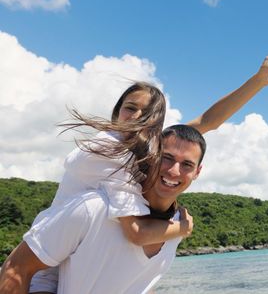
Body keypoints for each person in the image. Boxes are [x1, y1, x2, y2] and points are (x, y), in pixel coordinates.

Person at [17, 50, 268, 293]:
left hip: (72, 260)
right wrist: (183, 227)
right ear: (116, 114)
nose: (137, 116)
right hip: (46, 270)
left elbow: (207, 122)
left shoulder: (146, 151)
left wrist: (258, 82)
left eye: (148, 114)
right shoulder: (108, 151)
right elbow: (136, 232)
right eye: (130, 109)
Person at [0, 125, 207, 293]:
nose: (173, 171)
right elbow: (15, 268)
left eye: (187, 164)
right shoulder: (93, 208)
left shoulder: (178, 226)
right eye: (167, 158)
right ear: (152, 157)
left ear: (197, 172)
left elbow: (139, 282)